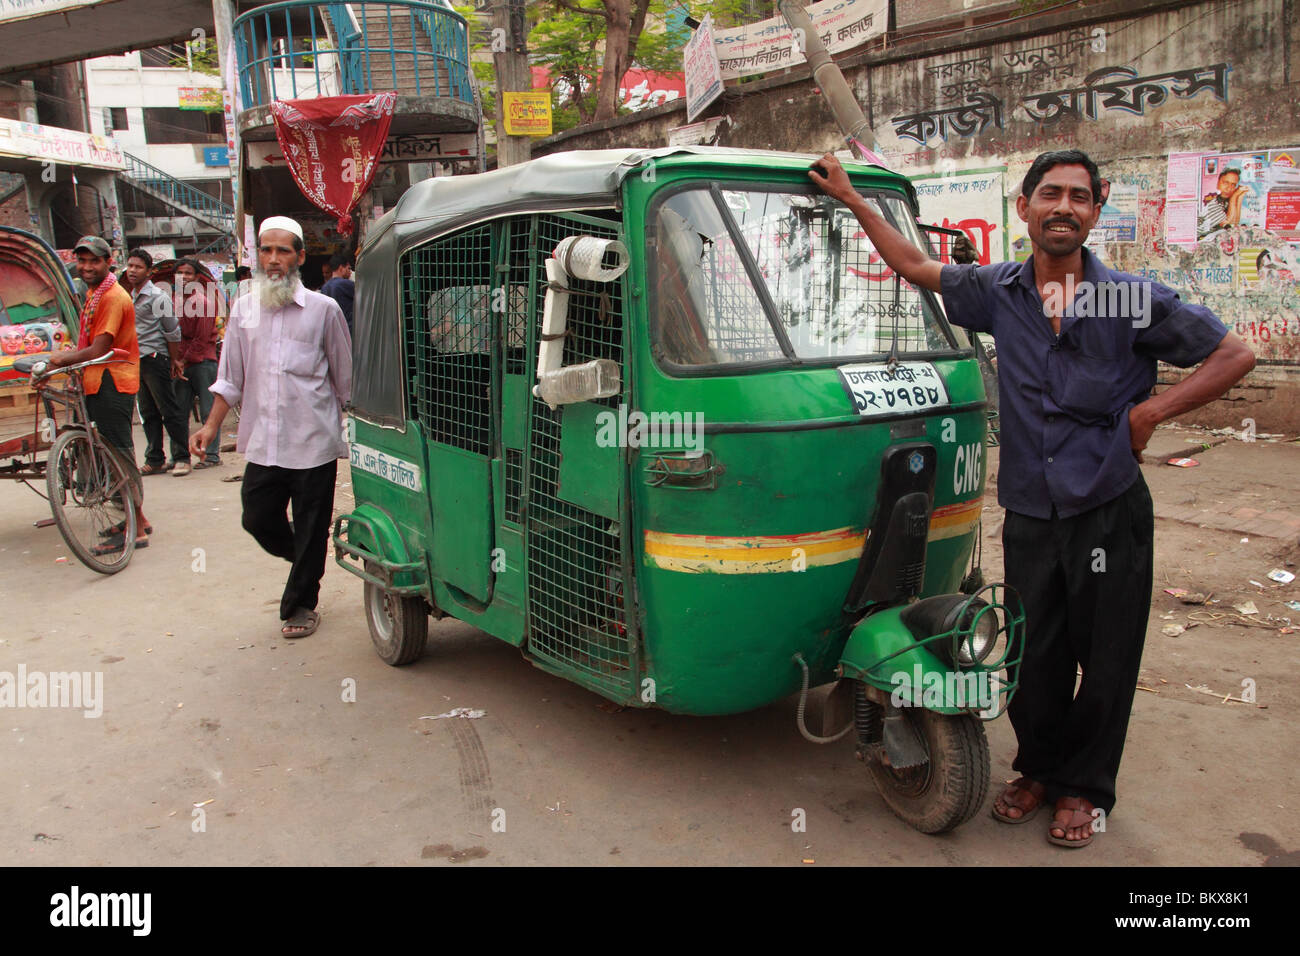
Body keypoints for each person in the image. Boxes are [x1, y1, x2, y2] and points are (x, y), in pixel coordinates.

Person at [809, 150, 1256, 847]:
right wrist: (856, 202)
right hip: (1030, 511)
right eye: (1051, 194)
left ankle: (1085, 788)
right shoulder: (998, 291)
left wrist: (1151, 415)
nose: (1064, 207)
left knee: (1106, 658)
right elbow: (917, 267)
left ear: (1095, 211)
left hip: (1108, 506)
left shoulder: (1132, 298)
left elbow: (1235, 356)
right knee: (1032, 654)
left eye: (1080, 197)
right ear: (1025, 208)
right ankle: (1040, 770)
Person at [190, 216, 352, 639]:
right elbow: (230, 379)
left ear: (300, 257)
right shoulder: (244, 311)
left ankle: (300, 603)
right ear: (257, 256)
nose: (274, 259)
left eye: (283, 251)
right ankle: (306, 550)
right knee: (258, 517)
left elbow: (344, 378)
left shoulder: (324, 310)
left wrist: (351, 425)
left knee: (313, 520)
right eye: (266, 250)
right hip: (265, 441)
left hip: (314, 439)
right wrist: (209, 428)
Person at [46, 235, 151, 552]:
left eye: (94, 261)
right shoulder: (95, 294)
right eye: (82, 261)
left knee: (119, 454)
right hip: (99, 379)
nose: (87, 266)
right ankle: (139, 520)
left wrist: (63, 359)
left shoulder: (112, 297)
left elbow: (101, 347)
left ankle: (137, 530)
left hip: (112, 380)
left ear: (108, 263)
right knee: (111, 452)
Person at [121, 248, 191, 477]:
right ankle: (155, 459)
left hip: (155, 358)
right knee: (147, 412)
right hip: (136, 361)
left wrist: (174, 359)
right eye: (130, 266)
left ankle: (182, 457)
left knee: (169, 410)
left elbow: (172, 331)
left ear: (148, 272)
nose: (132, 270)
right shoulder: (130, 295)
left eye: (138, 267)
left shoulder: (158, 296)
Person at [172, 258, 222, 469]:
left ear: (196, 277)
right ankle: (179, 456)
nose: (184, 277)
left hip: (203, 361)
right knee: (178, 412)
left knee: (208, 411)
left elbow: (201, 339)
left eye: (188, 273)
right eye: (180, 273)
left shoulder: (203, 302)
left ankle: (211, 455)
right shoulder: (171, 301)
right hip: (180, 363)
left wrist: (181, 360)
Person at [1198, 168, 1248, 237]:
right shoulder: (1210, 201)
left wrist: (1240, 197)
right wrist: (1234, 196)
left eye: (1233, 185)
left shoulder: (1224, 202)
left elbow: (1234, 224)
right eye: (1225, 183)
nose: (1229, 188)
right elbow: (1228, 223)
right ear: (1217, 183)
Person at [319, 252, 355, 339]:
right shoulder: (345, 284)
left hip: (332, 332)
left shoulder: (324, 287)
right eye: (348, 268)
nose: (350, 272)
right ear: (341, 268)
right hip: (348, 331)